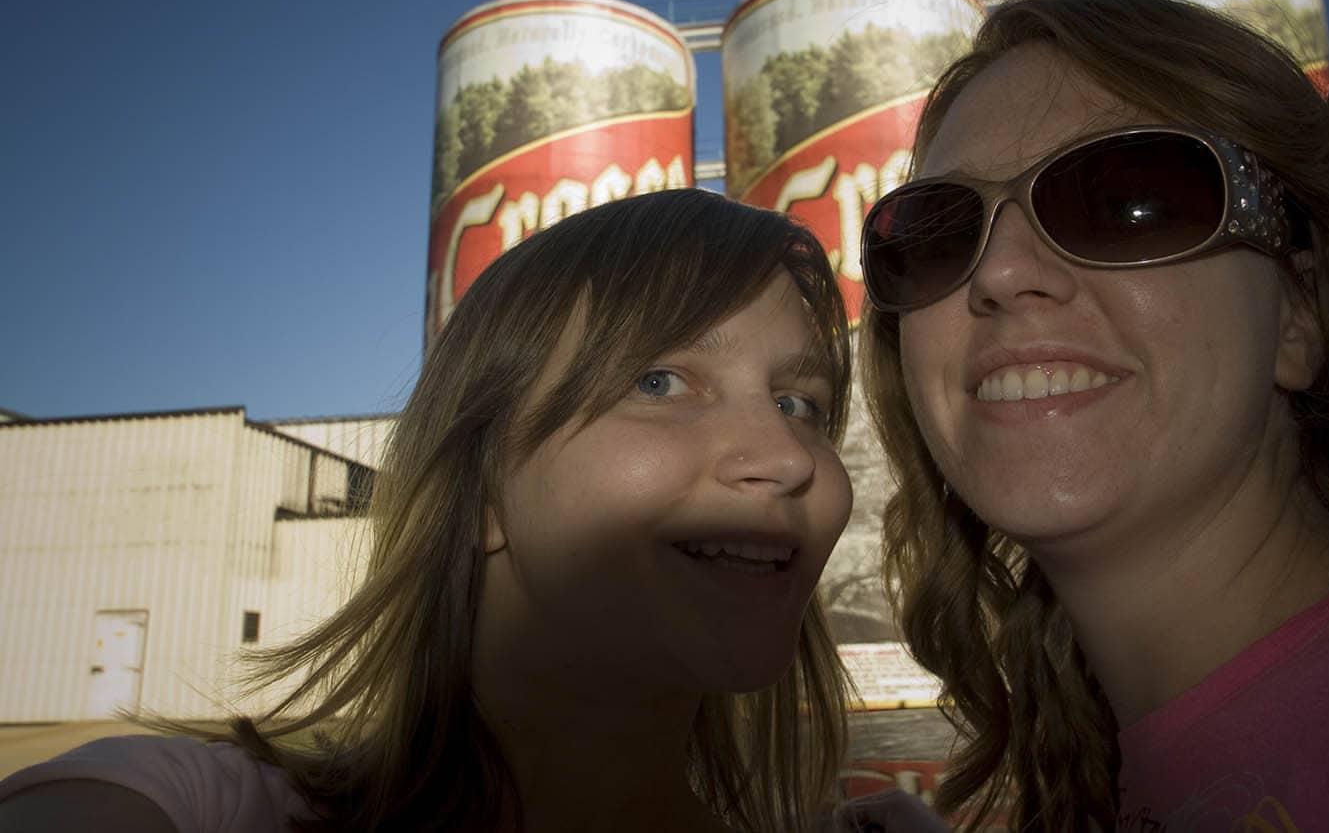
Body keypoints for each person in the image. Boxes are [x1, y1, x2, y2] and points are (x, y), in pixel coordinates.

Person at [0, 190, 868, 833]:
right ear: (481, 485)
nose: (789, 459)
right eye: (660, 382)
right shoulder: (177, 806)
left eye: (801, 404)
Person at [858, 0, 1329, 832]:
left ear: (1299, 309)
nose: (998, 272)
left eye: (1124, 203)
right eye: (936, 231)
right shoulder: (1104, 778)